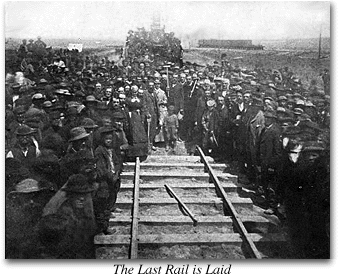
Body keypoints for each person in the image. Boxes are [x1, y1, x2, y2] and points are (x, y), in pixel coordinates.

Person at [38, 173, 97, 259]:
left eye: (84, 194)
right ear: (70, 195)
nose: (82, 198)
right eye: (77, 194)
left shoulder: (82, 213)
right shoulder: (62, 216)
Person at [94, 127, 123, 234]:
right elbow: (101, 168)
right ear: (102, 140)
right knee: (104, 203)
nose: (109, 141)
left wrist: (117, 173)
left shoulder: (112, 150)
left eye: (110, 139)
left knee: (112, 195)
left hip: (113, 178)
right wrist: (111, 176)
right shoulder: (99, 151)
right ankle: (104, 227)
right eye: (107, 139)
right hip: (104, 181)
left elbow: (117, 162)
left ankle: (111, 208)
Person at [256, 111, 282, 215]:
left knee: (271, 186)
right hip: (264, 162)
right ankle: (267, 202)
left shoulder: (275, 131)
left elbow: (277, 152)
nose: (266, 120)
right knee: (265, 183)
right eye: (265, 118)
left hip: (271, 164)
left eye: (268, 118)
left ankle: (272, 206)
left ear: (272, 120)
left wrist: (273, 165)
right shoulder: (264, 130)